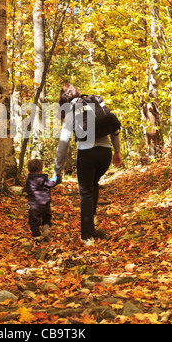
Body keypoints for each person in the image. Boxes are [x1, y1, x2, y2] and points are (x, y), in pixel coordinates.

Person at [54, 83, 122, 246]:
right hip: (105, 153)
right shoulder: (95, 102)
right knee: (93, 183)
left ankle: (87, 237)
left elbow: (64, 141)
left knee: (85, 193)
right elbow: (113, 127)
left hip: (87, 153)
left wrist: (57, 169)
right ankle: (92, 220)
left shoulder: (72, 109)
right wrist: (118, 152)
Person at [24, 159, 61, 244]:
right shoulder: (44, 179)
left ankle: (36, 237)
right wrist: (57, 178)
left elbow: (27, 190)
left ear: (29, 170)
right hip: (45, 204)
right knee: (47, 216)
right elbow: (52, 182)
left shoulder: (28, 180)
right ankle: (45, 228)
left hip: (34, 205)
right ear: (41, 169)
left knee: (34, 221)